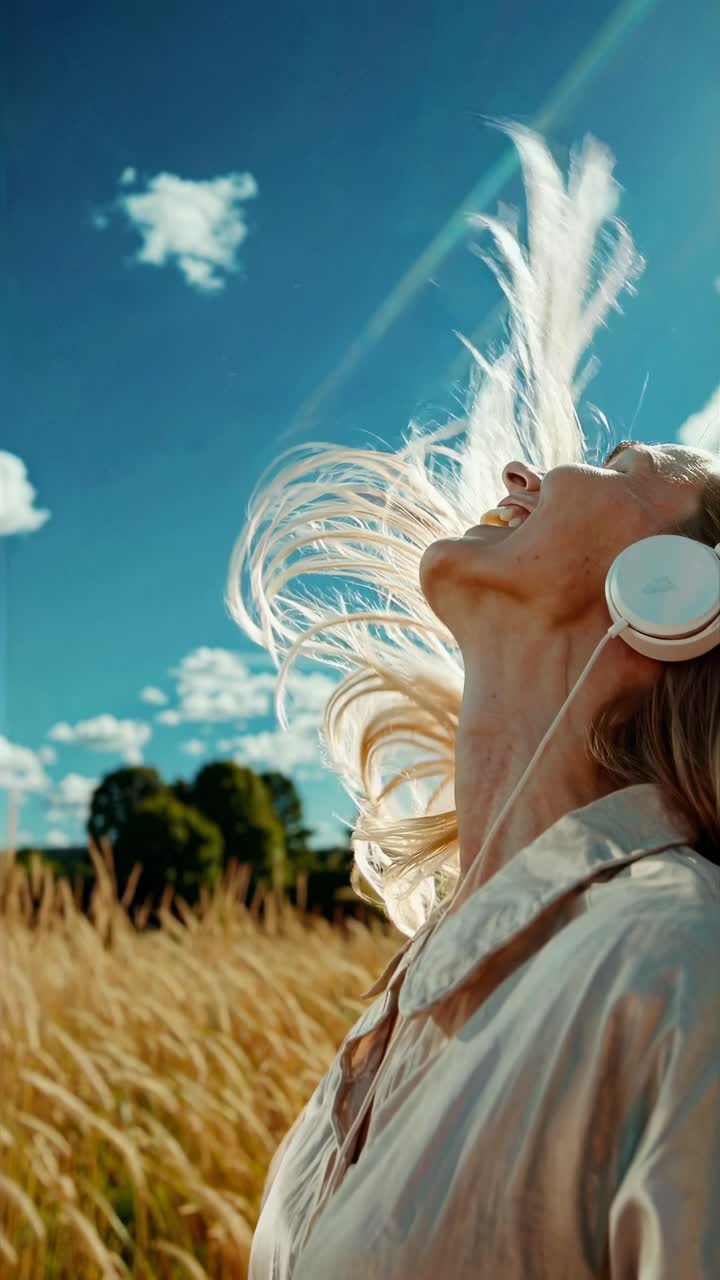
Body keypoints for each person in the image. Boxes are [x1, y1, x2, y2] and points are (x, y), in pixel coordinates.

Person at [229, 122, 720, 1278]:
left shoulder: (673, 961)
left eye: (628, 469)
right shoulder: (414, 989)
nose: (527, 470)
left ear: (677, 596)